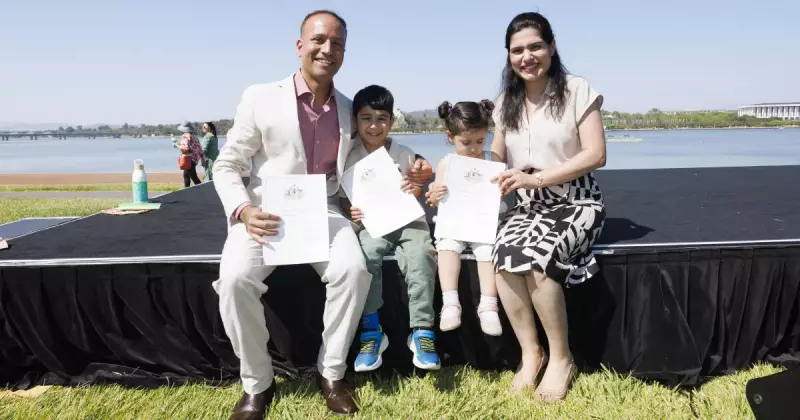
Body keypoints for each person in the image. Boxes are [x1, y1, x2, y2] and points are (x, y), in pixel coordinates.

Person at [211, 10, 432, 419]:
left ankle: (331, 373)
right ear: (300, 46)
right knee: (234, 280)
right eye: (318, 40)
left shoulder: (350, 108)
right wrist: (243, 210)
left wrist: (413, 169)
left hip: (325, 211)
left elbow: (374, 149)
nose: (327, 49)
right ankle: (257, 384)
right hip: (265, 214)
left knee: (353, 270)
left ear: (344, 53)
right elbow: (226, 166)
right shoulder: (259, 97)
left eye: (337, 44)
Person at [489, 12, 606, 402]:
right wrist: (456, 178)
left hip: (577, 202)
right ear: (508, 56)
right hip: (528, 206)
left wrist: (537, 178)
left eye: (535, 46)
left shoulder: (576, 90)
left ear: (552, 47)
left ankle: (561, 357)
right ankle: (531, 353)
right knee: (503, 257)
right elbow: (495, 156)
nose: (527, 56)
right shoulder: (506, 101)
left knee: (538, 258)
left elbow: (596, 155)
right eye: (517, 50)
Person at [340, 85, 439, 373]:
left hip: (409, 222)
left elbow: (418, 187)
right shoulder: (348, 156)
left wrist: (416, 187)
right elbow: (345, 197)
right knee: (366, 257)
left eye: (382, 118)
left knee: (421, 254)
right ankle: (372, 331)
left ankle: (422, 330)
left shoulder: (404, 152)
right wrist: (351, 210)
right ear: (356, 122)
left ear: (392, 122)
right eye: (366, 118)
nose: (373, 125)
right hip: (371, 224)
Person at [426, 100, 503, 337]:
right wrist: (435, 194)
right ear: (451, 137)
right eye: (465, 142)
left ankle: (489, 306)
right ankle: (450, 303)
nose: (473, 148)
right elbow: (434, 198)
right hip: (456, 220)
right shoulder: (447, 163)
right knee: (447, 246)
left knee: (487, 250)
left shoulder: (492, 160)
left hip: (484, 221)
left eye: (480, 141)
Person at [176, 122, 204, 187]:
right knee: (187, 175)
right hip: (195, 159)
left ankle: (202, 190)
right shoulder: (194, 137)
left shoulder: (185, 136)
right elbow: (200, 149)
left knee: (192, 177)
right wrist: (202, 159)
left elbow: (185, 149)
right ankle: (187, 190)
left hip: (188, 159)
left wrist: (176, 145)